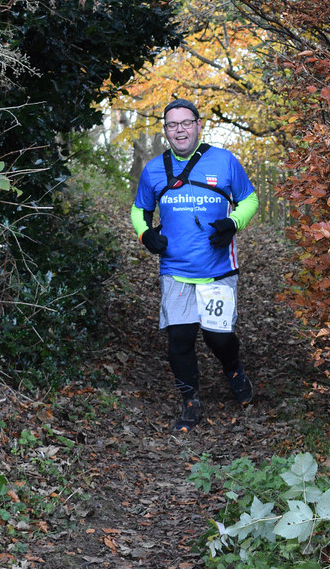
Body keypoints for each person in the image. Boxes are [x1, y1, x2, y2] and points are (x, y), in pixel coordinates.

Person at [131, 98, 260, 433]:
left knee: (218, 339)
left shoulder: (224, 161)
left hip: (218, 268)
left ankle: (233, 369)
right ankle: (190, 402)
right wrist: (146, 235)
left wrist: (233, 223)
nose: (180, 130)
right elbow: (139, 210)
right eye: (172, 125)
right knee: (180, 339)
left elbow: (249, 199)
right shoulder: (154, 170)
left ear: (199, 125)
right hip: (175, 270)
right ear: (166, 130)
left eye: (186, 123)